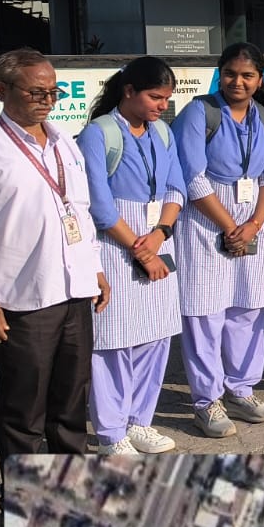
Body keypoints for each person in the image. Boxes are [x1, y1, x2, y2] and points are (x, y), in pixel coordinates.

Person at [0, 49, 108, 466]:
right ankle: (22, 502)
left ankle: (68, 493)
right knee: (25, 411)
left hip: (73, 290)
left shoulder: (63, 143)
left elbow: (81, 210)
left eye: (53, 92)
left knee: (72, 406)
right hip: (21, 299)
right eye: (37, 92)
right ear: (2, 90)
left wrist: (95, 267)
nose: (47, 101)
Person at [172, 43, 264, 438]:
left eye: (247, 75)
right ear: (220, 73)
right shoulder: (199, 113)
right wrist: (227, 224)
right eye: (231, 73)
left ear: (260, 79)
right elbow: (192, 176)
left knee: (249, 310)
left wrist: (252, 224)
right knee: (206, 313)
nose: (238, 81)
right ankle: (206, 400)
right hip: (205, 222)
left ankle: (242, 388)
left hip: (253, 221)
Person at [78, 57, 186, 456]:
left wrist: (160, 233)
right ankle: (110, 432)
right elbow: (101, 206)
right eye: (155, 97)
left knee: (156, 336)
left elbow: (177, 187)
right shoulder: (98, 134)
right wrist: (140, 250)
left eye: (166, 98)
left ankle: (140, 420)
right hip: (117, 243)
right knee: (114, 341)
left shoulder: (162, 132)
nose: (162, 105)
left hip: (157, 238)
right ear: (128, 92)